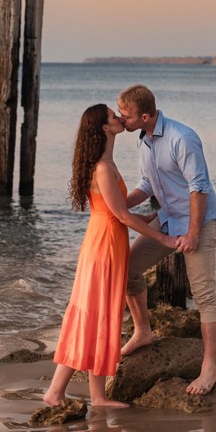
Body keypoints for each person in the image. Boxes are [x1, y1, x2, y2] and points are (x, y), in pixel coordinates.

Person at [43, 103, 179, 409]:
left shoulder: (107, 163)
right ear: (105, 127)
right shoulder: (103, 168)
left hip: (107, 241)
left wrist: (158, 215)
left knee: (99, 315)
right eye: (113, 116)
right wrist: (162, 236)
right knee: (95, 316)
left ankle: (95, 395)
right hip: (103, 247)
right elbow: (121, 215)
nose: (119, 118)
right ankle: (59, 392)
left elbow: (120, 213)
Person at [117, 84, 216, 396]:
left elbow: (198, 186)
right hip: (167, 219)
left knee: (204, 295)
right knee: (127, 272)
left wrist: (192, 232)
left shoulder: (182, 137)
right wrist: (118, 204)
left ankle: (209, 366)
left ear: (145, 116)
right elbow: (147, 184)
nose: (121, 120)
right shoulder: (144, 140)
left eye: (125, 116)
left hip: (198, 223)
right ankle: (143, 331)